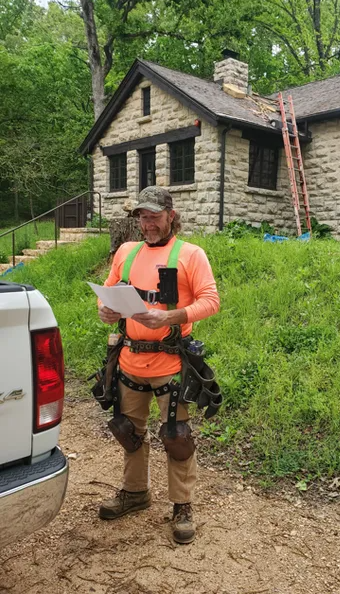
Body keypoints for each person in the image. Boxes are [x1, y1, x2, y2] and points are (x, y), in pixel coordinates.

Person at [97, 186, 220, 544]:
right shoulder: (126, 252)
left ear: (170, 215)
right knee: (128, 432)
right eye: (142, 217)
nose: (148, 224)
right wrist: (105, 311)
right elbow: (108, 294)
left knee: (177, 436)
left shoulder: (191, 254)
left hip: (169, 362)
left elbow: (211, 301)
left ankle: (182, 504)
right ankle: (135, 493)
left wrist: (172, 317)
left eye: (154, 216)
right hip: (129, 360)